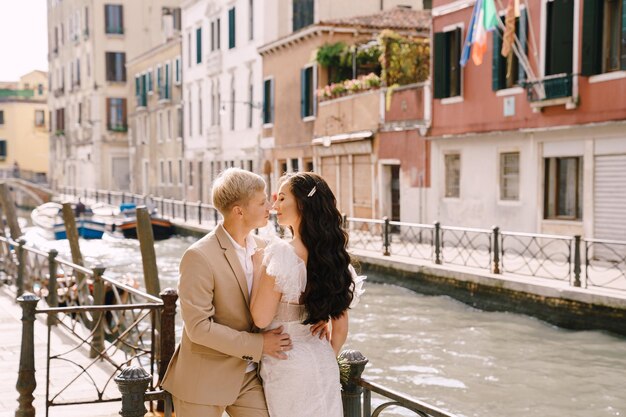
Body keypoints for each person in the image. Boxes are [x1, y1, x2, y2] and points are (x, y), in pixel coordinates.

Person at [161, 168, 293, 417]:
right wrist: (259, 344)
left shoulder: (267, 249)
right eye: (262, 201)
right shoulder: (198, 256)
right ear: (239, 210)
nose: (270, 206)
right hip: (203, 379)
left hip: (249, 377)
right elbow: (198, 327)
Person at [250, 172, 365, 417]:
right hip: (323, 360)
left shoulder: (281, 254)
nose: (275, 206)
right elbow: (341, 330)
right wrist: (323, 355)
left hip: (287, 362)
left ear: (302, 203)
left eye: (282, 198)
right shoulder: (334, 259)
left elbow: (260, 318)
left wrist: (259, 268)